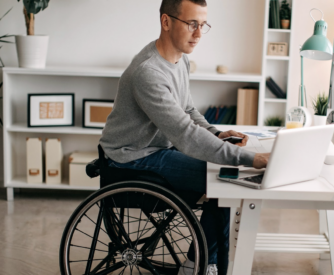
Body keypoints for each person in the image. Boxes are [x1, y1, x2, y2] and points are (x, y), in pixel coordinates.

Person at [99, 0, 270, 274]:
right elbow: (186, 135)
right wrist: (250, 159)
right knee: (226, 180)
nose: (199, 34)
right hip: (132, 158)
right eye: (192, 24)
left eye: (203, 25)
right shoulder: (148, 73)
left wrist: (216, 133)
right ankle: (202, 265)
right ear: (166, 22)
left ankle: (199, 262)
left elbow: (188, 110)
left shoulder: (180, 59)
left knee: (225, 179)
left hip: (158, 148)